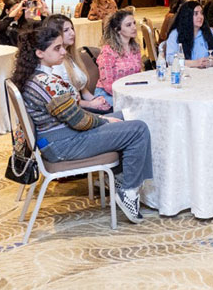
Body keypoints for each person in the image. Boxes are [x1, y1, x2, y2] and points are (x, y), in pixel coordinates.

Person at [12, 25, 152, 223]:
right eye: (57, 48)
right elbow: (79, 121)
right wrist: (104, 120)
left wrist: (106, 120)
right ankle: (128, 190)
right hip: (63, 145)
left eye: (62, 46)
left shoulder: (32, 76)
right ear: (39, 53)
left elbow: (73, 116)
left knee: (126, 115)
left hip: (54, 140)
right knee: (138, 129)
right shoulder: (47, 83)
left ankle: (119, 178)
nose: (63, 51)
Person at [44, 15, 111, 112]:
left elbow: (82, 89)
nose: (72, 33)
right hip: (73, 111)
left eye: (72, 28)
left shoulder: (70, 56)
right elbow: (64, 102)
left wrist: (95, 100)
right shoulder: (56, 64)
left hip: (83, 107)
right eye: (66, 30)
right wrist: (91, 104)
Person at [94, 10, 143, 108]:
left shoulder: (135, 47)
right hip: (108, 94)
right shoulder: (108, 51)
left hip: (128, 92)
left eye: (134, 23)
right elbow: (108, 85)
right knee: (135, 108)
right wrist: (128, 96)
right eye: (128, 25)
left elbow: (137, 75)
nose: (134, 27)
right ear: (118, 30)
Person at [165, 0, 213, 67]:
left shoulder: (209, 32)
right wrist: (194, 63)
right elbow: (170, 59)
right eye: (196, 14)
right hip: (185, 71)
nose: (200, 17)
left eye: (201, 13)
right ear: (187, 16)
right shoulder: (175, 34)